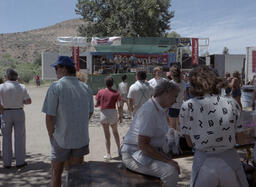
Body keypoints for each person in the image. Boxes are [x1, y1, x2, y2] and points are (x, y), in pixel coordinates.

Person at [179, 65, 248, 187]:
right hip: (230, 163)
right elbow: (241, 140)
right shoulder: (232, 103)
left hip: (203, 164)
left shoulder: (187, 107)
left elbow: (189, 143)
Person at [42, 56, 94, 187]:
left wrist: (51, 134)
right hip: (80, 139)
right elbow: (90, 111)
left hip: (61, 138)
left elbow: (49, 116)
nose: (55, 71)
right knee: (76, 176)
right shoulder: (85, 87)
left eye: (56, 68)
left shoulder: (56, 87)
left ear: (64, 68)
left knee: (56, 174)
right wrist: (79, 122)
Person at [121, 80, 180, 187]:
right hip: (133, 154)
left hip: (142, 152)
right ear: (166, 93)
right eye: (174, 96)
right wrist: (168, 161)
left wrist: (167, 158)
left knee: (172, 165)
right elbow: (143, 144)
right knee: (170, 172)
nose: (175, 101)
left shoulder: (158, 108)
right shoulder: (150, 111)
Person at [0, 68, 32, 169]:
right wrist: (20, 101)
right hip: (19, 112)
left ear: (7, 76)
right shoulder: (21, 86)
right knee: (20, 137)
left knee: (6, 138)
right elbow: (28, 101)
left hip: (5, 112)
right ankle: (20, 161)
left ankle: (7, 162)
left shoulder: (1, 87)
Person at [95, 76, 122, 160]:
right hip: (113, 113)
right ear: (113, 83)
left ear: (105, 83)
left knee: (107, 135)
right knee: (115, 132)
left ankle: (108, 154)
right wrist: (120, 116)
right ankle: (119, 151)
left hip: (104, 113)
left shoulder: (100, 92)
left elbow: (96, 104)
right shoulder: (116, 93)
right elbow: (120, 106)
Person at [168, 65, 186, 130]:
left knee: (173, 127)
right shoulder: (183, 83)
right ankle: (180, 138)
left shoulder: (170, 83)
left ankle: (174, 139)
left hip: (172, 106)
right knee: (180, 126)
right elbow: (184, 95)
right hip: (180, 106)